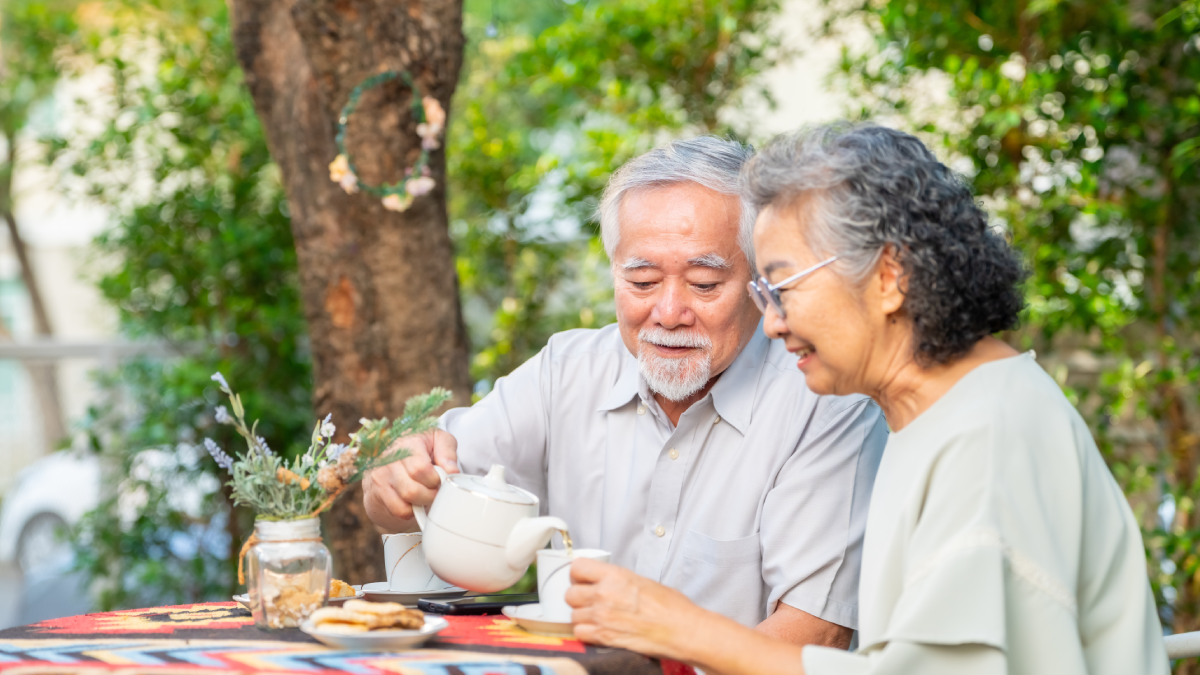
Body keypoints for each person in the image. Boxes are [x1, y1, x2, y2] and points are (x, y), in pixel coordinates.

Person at [564, 123, 1170, 674]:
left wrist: (680, 627)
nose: (770, 324)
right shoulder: (937, 416)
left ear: (888, 277)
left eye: (781, 288)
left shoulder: (991, 436)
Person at [364, 136, 889, 647]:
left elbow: (810, 640)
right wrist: (396, 477)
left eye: (704, 285)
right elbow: (405, 503)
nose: (668, 313)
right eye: (641, 283)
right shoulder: (565, 371)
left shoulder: (826, 406)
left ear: (759, 281)